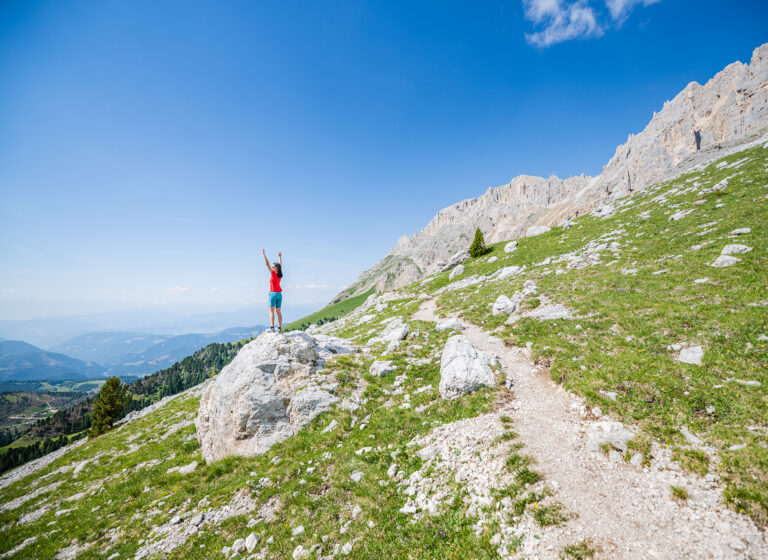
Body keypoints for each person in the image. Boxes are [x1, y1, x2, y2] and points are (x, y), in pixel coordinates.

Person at [261, 248, 283, 332]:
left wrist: (263, 254)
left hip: (273, 294)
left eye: (273, 266)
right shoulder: (280, 274)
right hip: (279, 294)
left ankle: (272, 328)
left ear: (275, 268)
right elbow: (280, 265)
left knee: (271, 312)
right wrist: (280, 257)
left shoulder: (273, 273)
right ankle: (279, 328)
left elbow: (267, 264)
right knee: (278, 312)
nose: (272, 267)